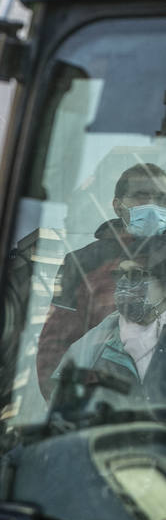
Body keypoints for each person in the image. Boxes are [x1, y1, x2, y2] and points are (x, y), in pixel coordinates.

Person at [37, 163, 166, 397]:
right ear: (118, 205)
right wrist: (66, 412)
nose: (152, 205)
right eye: (141, 196)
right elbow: (53, 349)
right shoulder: (83, 264)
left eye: (161, 198)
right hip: (106, 412)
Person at [49, 237, 166, 406]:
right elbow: (61, 408)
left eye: (135, 274)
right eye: (119, 274)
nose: (124, 283)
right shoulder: (96, 343)